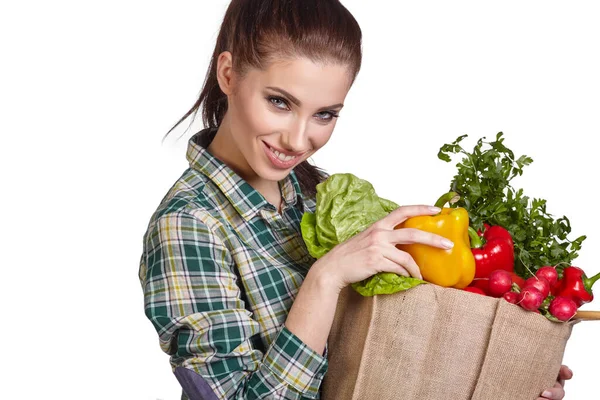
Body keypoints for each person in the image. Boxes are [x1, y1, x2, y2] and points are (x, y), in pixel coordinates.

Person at [138, 1, 573, 399]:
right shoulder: (188, 225)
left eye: (325, 114)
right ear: (228, 74)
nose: (298, 139)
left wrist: (506, 370)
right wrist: (324, 279)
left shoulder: (318, 199)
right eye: (279, 102)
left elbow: (390, 345)